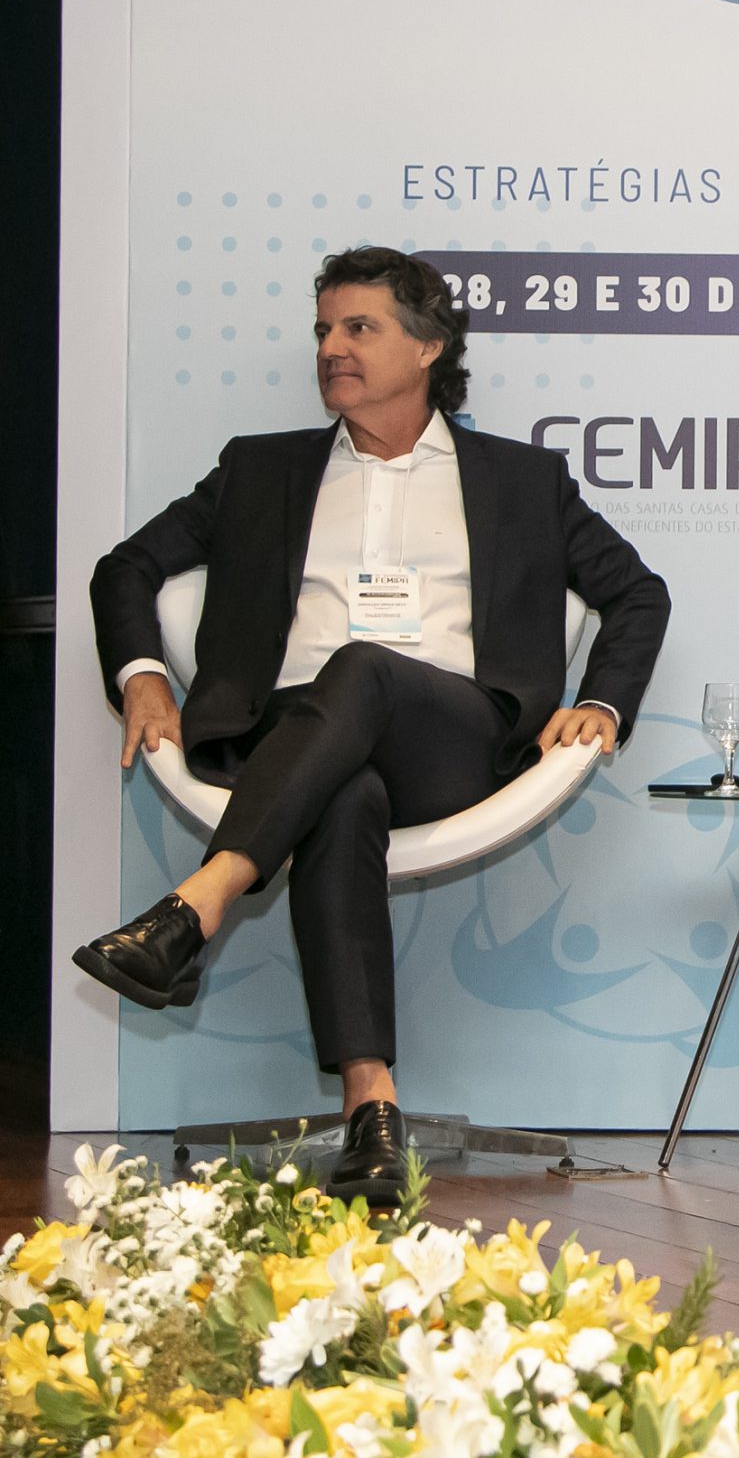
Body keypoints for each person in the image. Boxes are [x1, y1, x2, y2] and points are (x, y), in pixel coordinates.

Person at [79, 246, 670, 1202]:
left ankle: (200, 902)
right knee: (343, 791)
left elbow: (637, 593)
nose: (332, 348)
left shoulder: (522, 479)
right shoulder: (260, 469)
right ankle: (372, 1109)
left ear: (429, 346)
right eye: (324, 329)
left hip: (454, 736)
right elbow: (126, 568)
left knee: (364, 667)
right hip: (288, 732)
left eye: (360, 328)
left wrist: (600, 702)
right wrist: (142, 676)